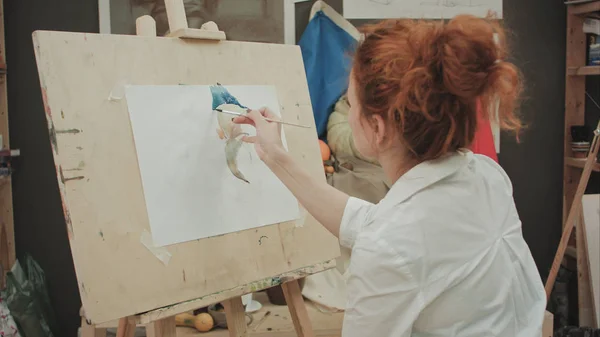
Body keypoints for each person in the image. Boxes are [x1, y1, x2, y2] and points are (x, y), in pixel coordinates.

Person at [234, 14, 546, 337]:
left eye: (351, 103)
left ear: (378, 128)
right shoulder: (486, 176)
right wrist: (275, 155)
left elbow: (389, 241)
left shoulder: (390, 246)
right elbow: (373, 224)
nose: (349, 113)